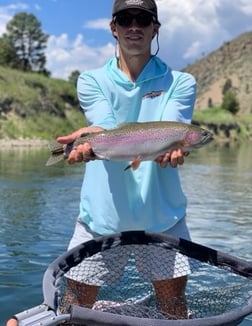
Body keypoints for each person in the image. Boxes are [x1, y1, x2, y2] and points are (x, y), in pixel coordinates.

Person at [6, 0, 196, 324]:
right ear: (113, 28)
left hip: (163, 216)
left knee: (174, 305)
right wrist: (91, 139)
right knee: (74, 305)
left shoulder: (182, 82)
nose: (134, 26)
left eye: (143, 19)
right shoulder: (90, 80)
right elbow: (104, 124)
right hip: (99, 218)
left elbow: (172, 124)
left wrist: (174, 147)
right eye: (125, 19)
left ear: (155, 28)